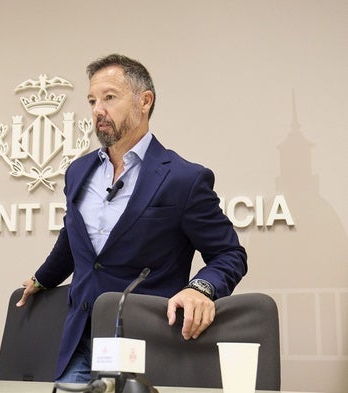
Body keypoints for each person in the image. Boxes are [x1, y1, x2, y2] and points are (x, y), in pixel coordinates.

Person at [16, 53, 247, 383]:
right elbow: (74, 237)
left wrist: (201, 289)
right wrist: (42, 279)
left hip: (143, 344)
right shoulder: (78, 172)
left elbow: (229, 254)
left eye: (109, 98)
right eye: (93, 100)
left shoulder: (183, 179)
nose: (98, 110)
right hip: (79, 340)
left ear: (144, 101)